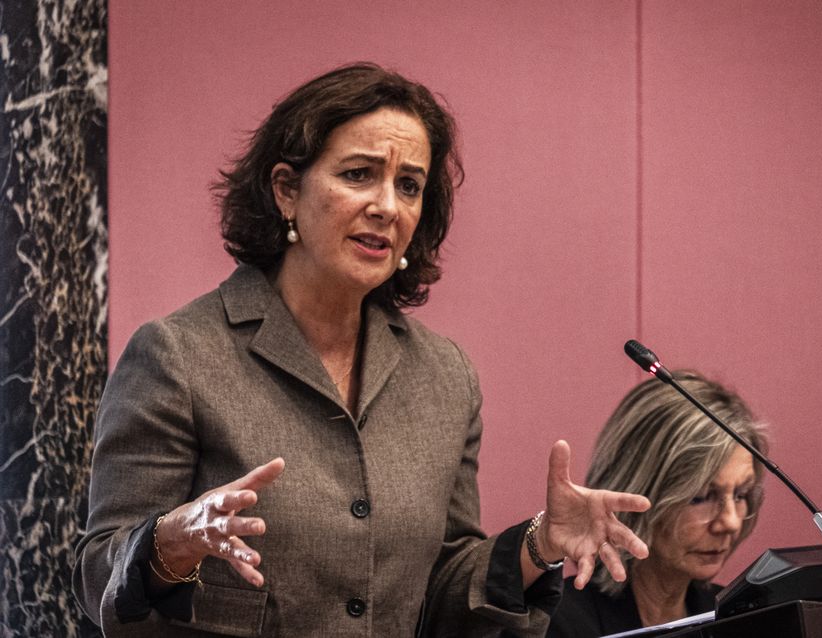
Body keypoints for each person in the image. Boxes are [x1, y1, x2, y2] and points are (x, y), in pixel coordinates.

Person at [72, 63, 651, 637]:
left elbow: (445, 588)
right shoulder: (178, 354)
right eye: (358, 175)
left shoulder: (444, 376)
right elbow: (98, 576)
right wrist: (172, 540)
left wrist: (540, 543)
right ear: (286, 191)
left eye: (409, 186)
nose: (387, 207)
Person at [547, 370, 769, 637]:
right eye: (701, 497)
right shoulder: (558, 624)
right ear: (636, 492)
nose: (730, 522)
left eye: (741, 494)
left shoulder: (738, 618)